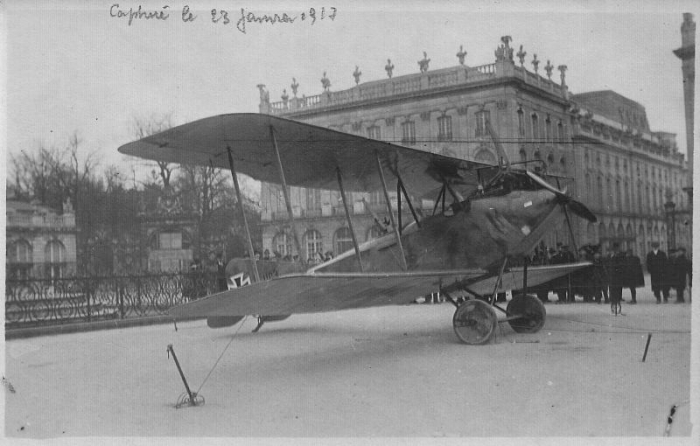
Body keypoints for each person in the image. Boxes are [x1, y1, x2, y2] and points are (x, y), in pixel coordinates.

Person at [607, 243, 626, 313]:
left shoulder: (621, 256)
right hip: (611, 276)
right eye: (614, 250)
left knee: (618, 290)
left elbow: (623, 265)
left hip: (618, 276)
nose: (615, 251)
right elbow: (606, 265)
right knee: (612, 290)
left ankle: (618, 303)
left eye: (616, 249)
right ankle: (613, 303)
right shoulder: (609, 256)